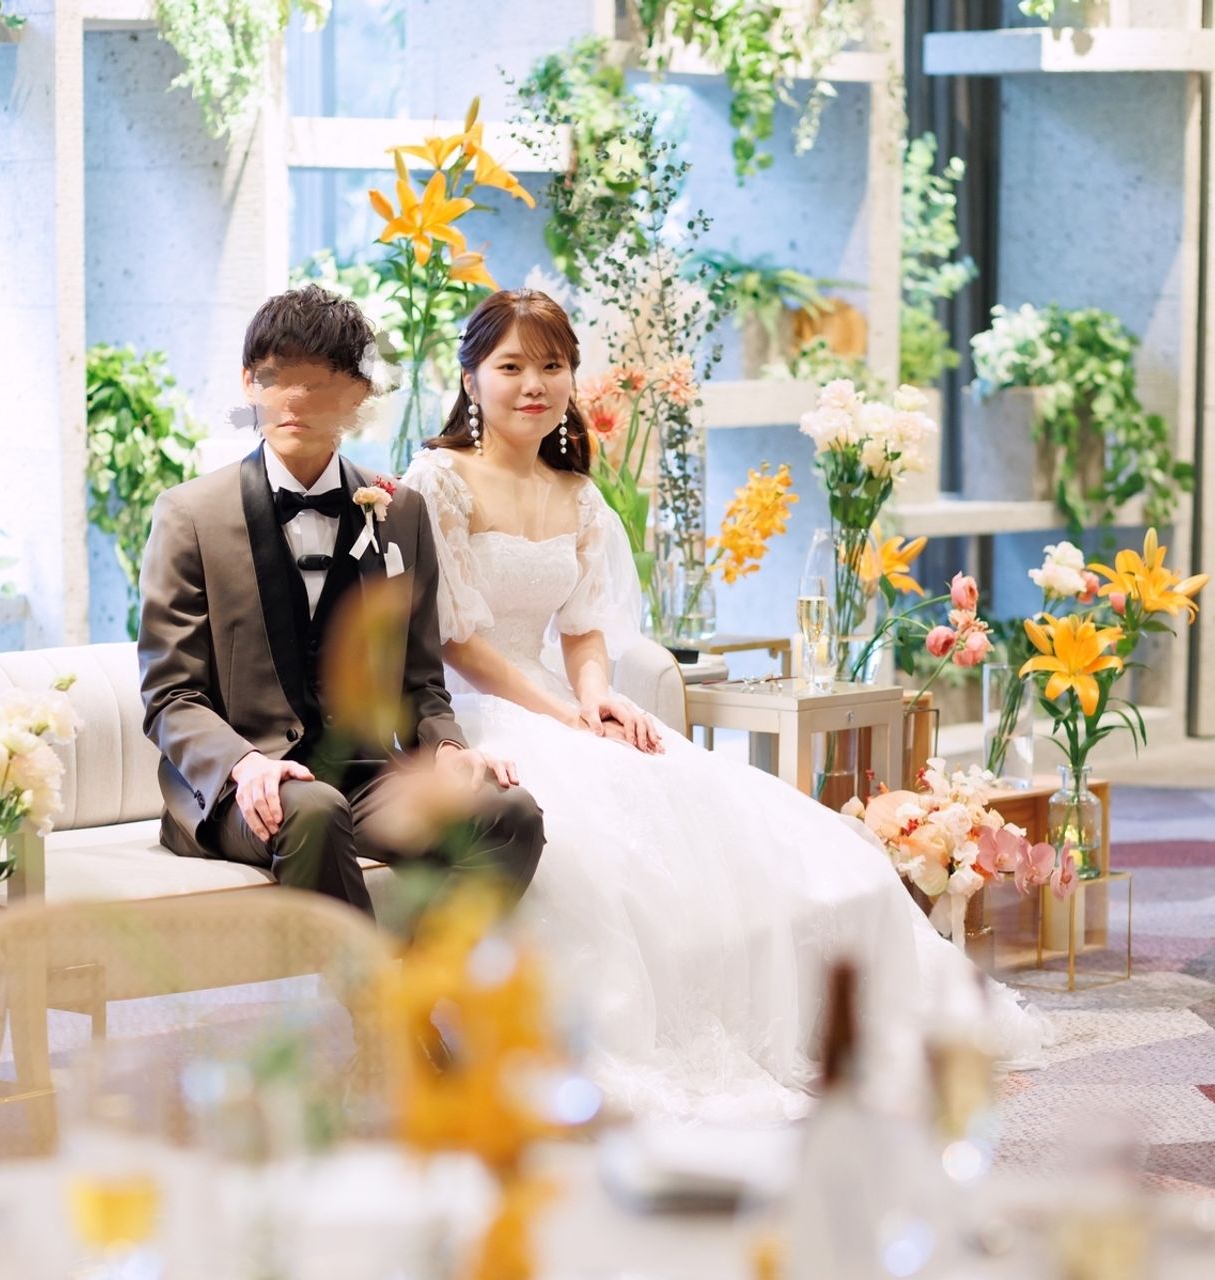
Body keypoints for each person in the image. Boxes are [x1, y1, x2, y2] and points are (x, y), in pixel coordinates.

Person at [402, 289, 1048, 1121]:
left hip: (561, 701)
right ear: (470, 379)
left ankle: (825, 1015)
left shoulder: (577, 494)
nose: (534, 384)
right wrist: (561, 717)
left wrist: (596, 701)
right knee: (596, 845)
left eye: (552, 366)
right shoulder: (438, 481)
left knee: (726, 812)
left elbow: (584, 631)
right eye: (511, 366)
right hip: (469, 713)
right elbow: (458, 642)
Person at [137, 284, 545, 920]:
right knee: (314, 811)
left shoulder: (400, 512)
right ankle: (368, 987)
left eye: (322, 383)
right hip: (243, 786)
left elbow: (421, 681)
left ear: (358, 396)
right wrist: (244, 763)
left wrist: (447, 747)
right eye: (275, 378)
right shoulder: (189, 515)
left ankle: (417, 972)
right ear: (248, 383)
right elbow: (170, 696)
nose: (294, 399)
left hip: (368, 776)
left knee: (509, 813)